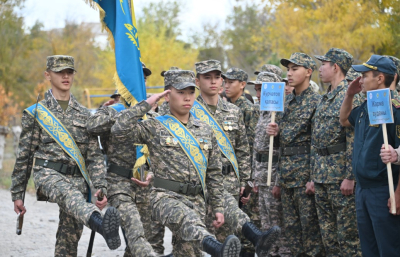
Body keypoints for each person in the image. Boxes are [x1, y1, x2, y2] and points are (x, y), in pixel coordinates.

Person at [111, 69, 243, 257]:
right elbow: (119, 131)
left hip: (196, 199)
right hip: (165, 197)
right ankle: (216, 248)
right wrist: (146, 105)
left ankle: (209, 245)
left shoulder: (204, 130)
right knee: (186, 219)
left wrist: (218, 208)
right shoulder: (154, 125)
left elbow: (213, 173)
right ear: (167, 95)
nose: (187, 98)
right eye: (181, 92)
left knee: (189, 252)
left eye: (190, 92)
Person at [10, 55, 121, 256]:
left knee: (69, 238)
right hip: (48, 174)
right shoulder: (37, 112)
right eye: (59, 72)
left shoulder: (85, 115)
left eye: (69, 72)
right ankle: (101, 223)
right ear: (47, 75)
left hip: (77, 179)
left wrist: (101, 187)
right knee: (69, 196)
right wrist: (18, 194)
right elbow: (25, 155)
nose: (65, 76)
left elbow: (94, 156)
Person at [193, 60, 281, 257]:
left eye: (217, 77)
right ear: (197, 81)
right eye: (207, 77)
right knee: (195, 242)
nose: (214, 82)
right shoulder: (188, 110)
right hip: (197, 183)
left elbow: (242, 150)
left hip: (228, 183)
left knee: (228, 242)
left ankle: (255, 237)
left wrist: (245, 183)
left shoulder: (233, 112)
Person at [87, 63, 168, 257]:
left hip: (146, 185)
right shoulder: (112, 110)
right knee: (135, 231)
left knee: (141, 244)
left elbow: (162, 153)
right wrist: (131, 111)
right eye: (134, 78)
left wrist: (153, 173)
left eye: (143, 79)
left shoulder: (153, 115)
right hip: (119, 183)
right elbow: (91, 126)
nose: (139, 82)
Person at [339, 54, 400, 256]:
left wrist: (397, 194)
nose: (360, 80)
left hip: (384, 189)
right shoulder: (368, 105)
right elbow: (345, 119)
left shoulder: (395, 107)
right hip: (363, 189)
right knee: (369, 249)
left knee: (388, 248)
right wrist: (349, 95)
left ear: (380, 78)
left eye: (365, 76)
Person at [266, 52, 325, 256]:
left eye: (294, 69)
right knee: (291, 232)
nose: (289, 74)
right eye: (288, 69)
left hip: (305, 177)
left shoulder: (317, 102)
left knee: (310, 232)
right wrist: (278, 180)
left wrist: (313, 179)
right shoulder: (287, 102)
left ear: (308, 72)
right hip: (288, 176)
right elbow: (283, 145)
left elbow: (317, 144)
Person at [312, 48, 361, 256]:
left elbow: (353, 139)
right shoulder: (324, 98)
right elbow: (316, 140)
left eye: (324, 64)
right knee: (328, 238)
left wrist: (350, 177)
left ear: (335, 66)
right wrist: (313, 176)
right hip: (322, 176)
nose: (320, 68)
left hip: (340, 177)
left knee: (348, 239)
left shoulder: (351, 96)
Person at [223, 67, 261, 256]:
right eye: (226, 81)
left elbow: (251, 148)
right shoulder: (226, 106)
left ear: (243, 85)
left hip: (242, 176)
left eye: (231, 82)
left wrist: (248, 184)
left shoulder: (247, 109)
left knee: (244, 229)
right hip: (228, 176)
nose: (226, 85)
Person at [253, 72, 291, 256]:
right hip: (261, 175)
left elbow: (284, 151)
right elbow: (257, 147)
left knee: (279, 228)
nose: (259, 94)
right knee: (266, 226)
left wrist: (278, 181)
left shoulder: (282, 112)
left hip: (274, 174)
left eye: (262, 89)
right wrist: (255, 177)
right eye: (257, 89)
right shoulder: (263, 111)